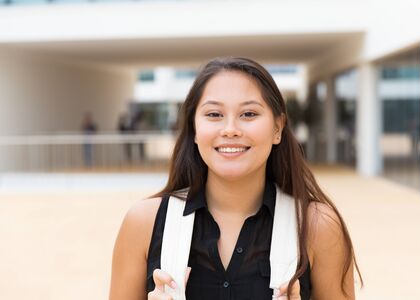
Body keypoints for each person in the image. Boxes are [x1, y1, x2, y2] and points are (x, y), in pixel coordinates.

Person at [109, 57, 362, 300]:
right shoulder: (143, 224)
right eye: (214, 115)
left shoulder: (317, 226)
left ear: (277, 128)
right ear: (194, 130)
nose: (230, 129)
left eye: (249, 114)